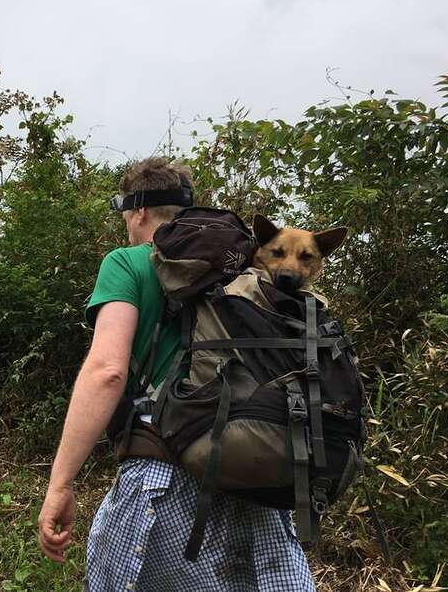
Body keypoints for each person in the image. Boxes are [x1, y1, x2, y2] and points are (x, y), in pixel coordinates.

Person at [38, 158, 316, 591]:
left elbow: (107, 371)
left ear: (140, 211)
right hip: (254, 477)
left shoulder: (127, 262)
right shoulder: (248, 268)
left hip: (161, 481)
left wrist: (60, 483)